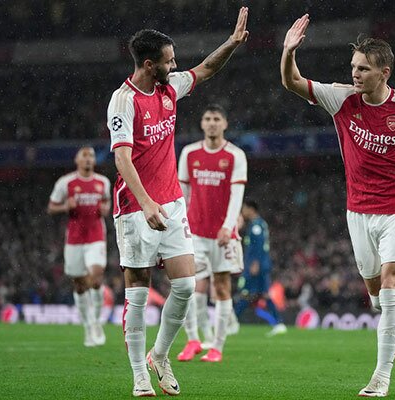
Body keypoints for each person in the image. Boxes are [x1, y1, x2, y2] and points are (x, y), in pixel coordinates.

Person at [280, 15, 395, 397]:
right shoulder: (342, 98)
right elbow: (291, 82)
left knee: (393, 288)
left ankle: (380, 378)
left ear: (384, 72)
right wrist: (288, 52)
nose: (355, 75)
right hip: (358, 212)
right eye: (353, 68)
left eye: (363, 69)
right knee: (382, 301)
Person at [106, 8, 249, 397]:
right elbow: (121, 159)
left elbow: (205, 69)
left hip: (171, 204)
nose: (176, 64)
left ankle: (160, 354)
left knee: (185, 286)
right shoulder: (123, 101)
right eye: (170, 60)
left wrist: (232, 43)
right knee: (137, 289)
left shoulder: (170, 89)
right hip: (136, 208)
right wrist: (147, 202)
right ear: (150, 65)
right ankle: (138, 374)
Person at [176, 104, 247, 363]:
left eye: (217, 118)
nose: (212, 123)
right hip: (194, 232)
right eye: (207, 118)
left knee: (222, 287)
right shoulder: (189, 153)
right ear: (202, 123)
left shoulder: (235, 155)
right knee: (188, 286)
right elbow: (183, 194)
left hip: (222, 234)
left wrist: (228, 226)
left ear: (225, 124)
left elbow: (237, 195)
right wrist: (179, 226)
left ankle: (217, 347)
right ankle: (193, 340)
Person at [48, 146, 110, 347]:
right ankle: (88, 325)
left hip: (96, 237)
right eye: (84, 156)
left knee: (97, 276)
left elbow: (107, 203)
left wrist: (105, 208)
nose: (88, 159)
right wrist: (65, 206)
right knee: (79, 284)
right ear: (77, 160)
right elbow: (51, 207)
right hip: (74, 239)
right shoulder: (66, 183)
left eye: (91, 156)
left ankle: (97, 321)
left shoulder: (103, 182)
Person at [234, 200, 287, 337]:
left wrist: (255, 263)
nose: (243, 211)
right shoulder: (258, 224)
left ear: (252, 209)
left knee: (246, 293)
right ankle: (279, 323)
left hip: (256, 266)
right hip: (260, 265)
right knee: (261, 294)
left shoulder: (256, 225)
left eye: (244, 208)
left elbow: (257, 245)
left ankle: (232, 322)